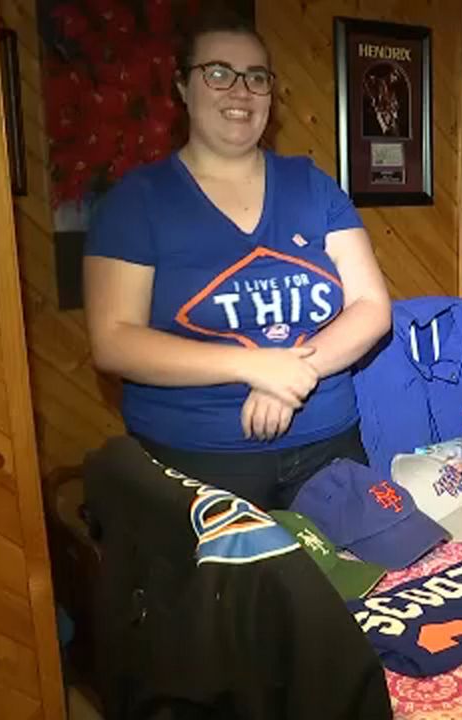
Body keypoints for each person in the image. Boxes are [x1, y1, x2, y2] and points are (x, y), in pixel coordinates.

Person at [82, 9, 392, 510]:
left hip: (329, 446)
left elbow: (371, 306)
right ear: (183, 87)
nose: (240, 91)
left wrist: (291, 379)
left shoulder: (313, 186)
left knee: (348, 586)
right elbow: (115, 341)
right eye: (219, 73)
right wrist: (254, 366)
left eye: (256, 77)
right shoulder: (137, 202)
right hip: (196, 458)